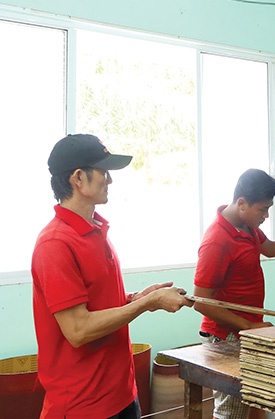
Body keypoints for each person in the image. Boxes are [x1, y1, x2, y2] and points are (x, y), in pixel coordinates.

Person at [31, 134, 192, 419]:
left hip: (122, 395)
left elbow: (98, 305)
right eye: (103, 172)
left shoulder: (96, 231)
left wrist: (138, 298)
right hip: (83, 406)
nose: (110, 180)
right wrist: (147, 303)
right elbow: (79, 330)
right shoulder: (55, 244)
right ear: (78, 178)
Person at [193, 168, 275, 419]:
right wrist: (248, 325)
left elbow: (271, 248)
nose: (266, 216)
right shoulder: (217, 240)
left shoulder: (247, 225)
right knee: (230, 413)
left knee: (248, 405)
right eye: (262, 210)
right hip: (225, 335)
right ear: (242, 203)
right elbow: (200, 301)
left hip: (245, 330)